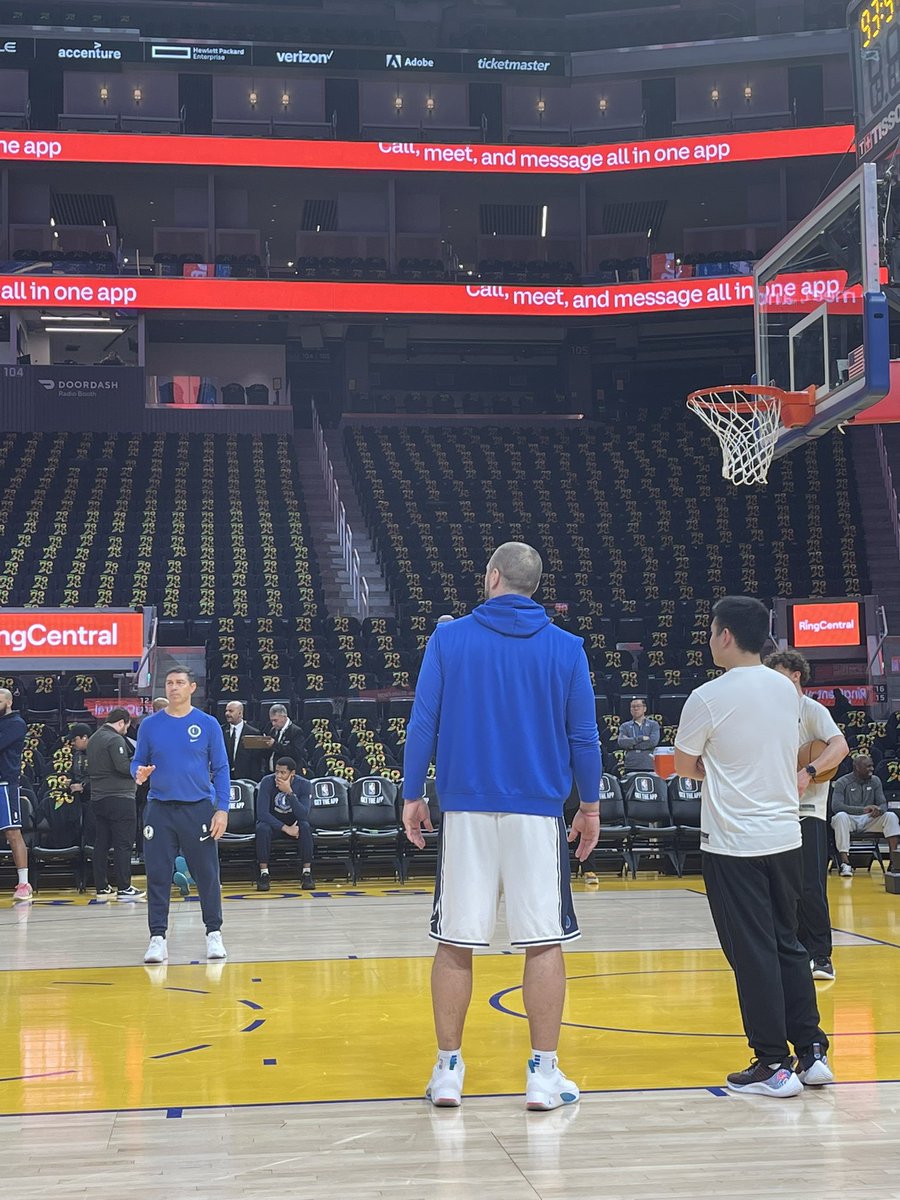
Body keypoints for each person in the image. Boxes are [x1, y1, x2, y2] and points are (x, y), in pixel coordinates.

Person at [402, 541, 602, 1111]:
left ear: (492, 577)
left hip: (464, 808)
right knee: (543, 941)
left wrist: (413, 794)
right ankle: (543, 1074)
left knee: (455, 939)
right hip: (538, 812)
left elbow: (423, 724)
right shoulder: (567, 648)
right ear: (533, 585)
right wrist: (588, 808)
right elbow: (584, 738)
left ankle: (447, 1072)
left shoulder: (449, 638)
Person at [674, 595, 832, 1098]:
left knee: (753, 953)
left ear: (724, 635)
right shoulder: (787, 692)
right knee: (790, 944)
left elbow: (683, 765)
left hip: (732, 843)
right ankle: (810, 1054)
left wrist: (717, 771)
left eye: (712, 630)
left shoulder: (707, 697)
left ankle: (771, 1063)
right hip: (786, 835)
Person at [131, 666, 230, 964]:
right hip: (160, 809)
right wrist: (137, 772)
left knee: (207, 875)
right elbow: (136, 761)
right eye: (169, 682)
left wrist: (222, 810)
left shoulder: (208, 723)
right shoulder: (150, 725)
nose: (173, 687)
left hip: (197, 808)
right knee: (158, 874)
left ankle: (214, 932)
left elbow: (221, 769)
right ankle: (157, 938)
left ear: (192, 687)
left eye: (179, 683)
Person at [764, 651, 848, 981]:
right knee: (783, 888)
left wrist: (808, 771)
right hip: (776, 809)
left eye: (779, 672)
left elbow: (840, 747)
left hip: (809, 809)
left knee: (810, 884)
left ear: (796, 674)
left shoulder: (811, 709)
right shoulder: (769, 714)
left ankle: (822, 956)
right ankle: (794, 952)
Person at [86, 707, 144, 901]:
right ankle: (124, 887)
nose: (125, 731)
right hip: (119, 798)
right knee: (123, 844)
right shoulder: (115, 739)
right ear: (121, 722)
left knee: (101, 843)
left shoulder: (94, 738)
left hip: (98, 798)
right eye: (126, 727)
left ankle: (102, 887)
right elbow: (122, 767)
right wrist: (138, 760)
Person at [831, 754, 900, 876]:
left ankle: (894, 862)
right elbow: (836, 807)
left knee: (891, 816)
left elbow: (883, 803)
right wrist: (863, 810)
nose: (872, 769)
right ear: (856, 767)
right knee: (840, 816)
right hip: (849, 819)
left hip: (869, 820)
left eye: (872, 766)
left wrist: (879, 810)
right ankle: (845, 863)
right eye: (868, 766)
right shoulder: (842, 782)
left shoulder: (875, 780)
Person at [255, 757, 314, 891]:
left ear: (292, 773)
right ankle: (264, 874)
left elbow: (304, 814)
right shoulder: (266, 782)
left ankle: (307, 872)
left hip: (295, 826)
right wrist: (286, 828)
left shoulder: (304, 784)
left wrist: (290, 793)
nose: (278, 776)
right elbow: (262, 814)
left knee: (305, 826)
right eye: (277, 772)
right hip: (274, 825)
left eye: (283, 773)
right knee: (261, 828)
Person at [0, 687, 31, 900]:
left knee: (12, 833)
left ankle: (23, 883)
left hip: (5, 783)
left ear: (8, 702)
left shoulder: (16, 724)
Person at [616, 697, 661, 773]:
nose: (635, 708)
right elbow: (621, 742)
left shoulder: (653, 724)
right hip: (631, 765)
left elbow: (653, 742)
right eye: (633, 707)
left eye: (638, 706)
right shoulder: (625, 726)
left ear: (644, 709)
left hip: (649, 765)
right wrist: (641, 738)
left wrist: (631, 745)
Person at [223, 700, 263, 782]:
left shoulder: (253, 733)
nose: (227, 713)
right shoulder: (221, 731)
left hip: (246, 779)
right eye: (226, 711)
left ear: (240, 713)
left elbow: (256, 760)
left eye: (231, 711)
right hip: (225, 777)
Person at [261, 704, 306, 773]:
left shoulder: (296, 731)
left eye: (275, 720)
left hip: (289, 774)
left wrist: (274, 745)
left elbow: (297, 753)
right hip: (271, 773)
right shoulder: (271, 730)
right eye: (271, 721)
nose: (273, 723)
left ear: (284, 717)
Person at [65, 723, 92, 803]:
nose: (72, 743)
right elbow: (73, 774)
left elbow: (103, 778)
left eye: (74, 740)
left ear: (84, 737)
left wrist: (83, 786)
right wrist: (70, 783)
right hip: (78, 797)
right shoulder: (77, 754)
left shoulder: (98, 753)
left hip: (95, 797)